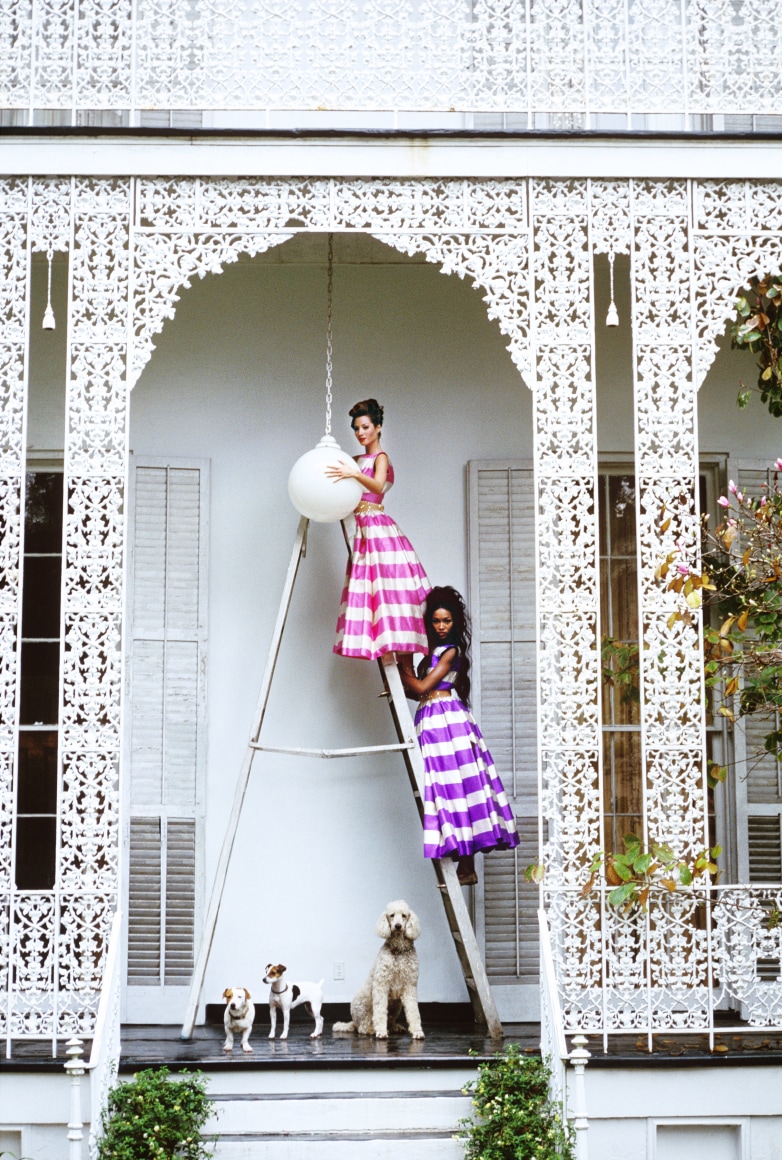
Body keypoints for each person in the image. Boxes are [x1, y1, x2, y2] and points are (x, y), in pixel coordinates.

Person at [400, 586, 518, 885]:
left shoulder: (451, 651)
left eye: (447, 621)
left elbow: (421, 687)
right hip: (431, 718)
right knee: (445, 789)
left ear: (455, 622)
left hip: (448, 721)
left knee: (462, 786)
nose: (441, 627)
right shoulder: (430, 652)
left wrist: (401, 665)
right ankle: (461, 859)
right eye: (437, 621)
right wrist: (406, 674)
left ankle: (467, 867)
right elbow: (420, 693)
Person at [327, 399, 430, 662]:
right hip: (359, 528)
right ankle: (373, 642)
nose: (360, 433)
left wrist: (352, 473)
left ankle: (398, 648)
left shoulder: (380, 457)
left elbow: (377, 485)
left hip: (376, 526)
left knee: (387, 586)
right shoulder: (353, 460)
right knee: (365, 586)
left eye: (365, 427)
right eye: (356, 428)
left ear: (378, 427)